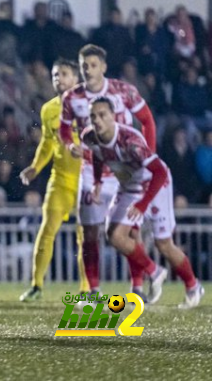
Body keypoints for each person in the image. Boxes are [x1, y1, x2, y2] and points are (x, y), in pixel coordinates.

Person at [83, 97, 203, 309]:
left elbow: (159, 171)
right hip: (129, 186)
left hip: (154, 185)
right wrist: (98, 181)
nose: (97, 120)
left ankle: (193, 286)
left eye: (102, 115)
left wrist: (143, 203)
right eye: (93, 116)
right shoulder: (91, 136)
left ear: (113, 116)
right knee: (114, 235)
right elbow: (98, 155)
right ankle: (154, 272)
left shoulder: (130, 142)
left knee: (163, 244)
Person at [60, 44, 157, 301]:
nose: (88, 70)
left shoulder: (123, 91)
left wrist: (148, 155)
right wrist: (70, 145)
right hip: (91, 173)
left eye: (93, 65)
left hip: (125, 173)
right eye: (84, 66)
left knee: (130, 234)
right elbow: (63, 129)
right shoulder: (72, 97)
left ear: (103, 66)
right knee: (90, 233)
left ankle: (137, 288)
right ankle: (93, 292)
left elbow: (147, 120)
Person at [19, 59, 88, 302]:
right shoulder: (48, 109)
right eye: (55, 74)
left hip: (86, 181)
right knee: (47, 230)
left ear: (76, 79)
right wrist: (35, 167)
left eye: (64, 74)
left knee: (85, 236)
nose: (59, 78)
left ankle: (86, 290)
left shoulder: (89, 105)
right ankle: (36, 285)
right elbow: (48, 143)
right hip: (60, 179)